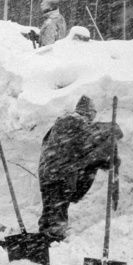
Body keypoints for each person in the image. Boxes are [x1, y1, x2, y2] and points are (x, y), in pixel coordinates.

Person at [36, 96, 122, 243]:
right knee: (58, 208)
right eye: (93, 114)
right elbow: (93, 134)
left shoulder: (61, 123)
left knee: (52, 207)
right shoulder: (75, 122)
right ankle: (53, 240)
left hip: (48, 172)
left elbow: (48, 143)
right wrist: (113, 128)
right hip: (59, 173)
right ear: (88, 112)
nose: (93, 118)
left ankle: (45, 238)